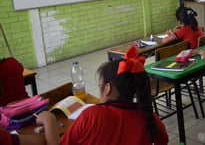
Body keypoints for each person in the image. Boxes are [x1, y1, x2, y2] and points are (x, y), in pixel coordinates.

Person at [35, 47, 169, 145]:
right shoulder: (152, 121)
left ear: (107, 88)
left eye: (100, 85)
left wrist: (49, 121)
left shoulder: (92, 116)